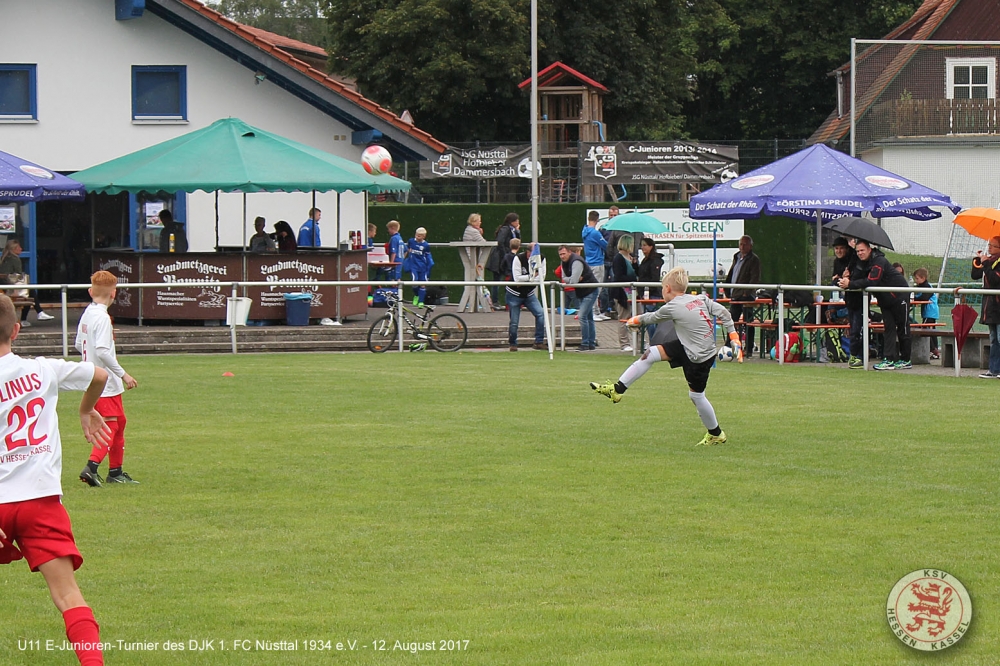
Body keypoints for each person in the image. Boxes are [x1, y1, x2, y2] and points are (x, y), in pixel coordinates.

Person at [0, 293, 112, 666]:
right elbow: (99, 374)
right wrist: (86, 410)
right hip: (40, 501)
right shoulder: (42, 369)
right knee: (67, 596)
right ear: (16, 330)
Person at [590, 267, 741, 447]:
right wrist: (734, 337)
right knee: (652, 353)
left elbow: (652, 317)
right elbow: (724, 313)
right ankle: (617, 389)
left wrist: (635, 320)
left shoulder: (673, 306)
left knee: (697, 397)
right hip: (688, 345)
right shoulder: (699, 298)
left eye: (662, 288)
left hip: (699, 357)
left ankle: (716, 434)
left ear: (667, 288)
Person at [76, 270, 139, 486]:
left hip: (94, 377)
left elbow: (78, 344)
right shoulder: (102, 318)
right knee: (110, 425)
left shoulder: (88, 313)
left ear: (90, 291)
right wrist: (123, 374)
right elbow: (103, 350)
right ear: (114, 293)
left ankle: (116, 472)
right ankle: (91, 467)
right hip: (105, 382)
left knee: (120, 423)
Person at [840, 240, 911, 370]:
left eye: (862, 250)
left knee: (903, 327)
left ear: (869, 249)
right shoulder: (862, 263)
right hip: (885, 299)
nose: (860, 253)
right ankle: (888, 359)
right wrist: (847, 276)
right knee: (888, 328)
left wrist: (850, 284)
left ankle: (906, 359)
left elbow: (872, 281)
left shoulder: (879, 261)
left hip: (900, 295)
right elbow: (859, 279)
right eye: (858, 251)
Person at [503, 239, 547, 352]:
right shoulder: (518, 258)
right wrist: (531, 276)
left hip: (529, 293)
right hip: (514, 293)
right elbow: (517, 278)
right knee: (514, 321)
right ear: (528, 253)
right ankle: (513, 344)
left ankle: (539, 341)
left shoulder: (541, 259)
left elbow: (541, 277)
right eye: (532, 255)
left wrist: (529, 278)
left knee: (541, 314)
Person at [0, 238, 54, 327]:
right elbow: (16, 276)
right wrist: (15, 287)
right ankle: (34, 314)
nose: (21, 249)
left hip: (4, 287)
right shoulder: (14, 259)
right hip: (9, 288)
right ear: (14, 249)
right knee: (29, 292)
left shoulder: (4, 259)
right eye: (19, 247)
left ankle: (37, 313)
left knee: (30, 291)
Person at [558, 245, 599, 351]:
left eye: (564, 253)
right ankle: (591, 343)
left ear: (569, 252)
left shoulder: (576, 261)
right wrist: (571, 279)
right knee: (588, 318)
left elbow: (573, 281)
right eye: (560, 254)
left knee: (582, 316)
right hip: (581, 291)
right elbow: (565, 279)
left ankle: (585, 343)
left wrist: (571, 279)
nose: (562, 256)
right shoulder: (564, 263)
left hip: (590, 290)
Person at [726, 235, 761, 354]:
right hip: (735, 295)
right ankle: (728, 346)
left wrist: (747, 292)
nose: (742, 247)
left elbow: (754, 278)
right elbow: (732, 274)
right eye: (741, 244)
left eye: (745, 244)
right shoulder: (736, 257)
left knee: (748, 322)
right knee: (732, 322)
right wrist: (727, 289)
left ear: (750, 246)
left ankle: (749, 347)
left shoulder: (754, 259)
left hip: (746, 297)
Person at [971, 236, 1000, 378]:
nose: (989, 248)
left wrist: (987, 265)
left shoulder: (995, 263)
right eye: (989, 245)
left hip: (998, 307)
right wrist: (977, 261)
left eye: (993, 246)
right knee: (994, 339)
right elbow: (975, 275)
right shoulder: (989, 261)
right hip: (990, 308)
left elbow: (995, 280)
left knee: (999, 339)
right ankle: (994, 370)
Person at [485, 213, 520, 307]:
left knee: (504, 279)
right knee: (497, 280)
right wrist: (506, 254)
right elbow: (500, 242)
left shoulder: (512, 230)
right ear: (512, 221)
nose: (518, 222)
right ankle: (496, 301)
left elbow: (517, 241)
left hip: (504, 257)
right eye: (516, 221)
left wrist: (518, 231)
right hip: (499, 259)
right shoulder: (505, 229)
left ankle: (506, 301)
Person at [610, 235, 637, 352]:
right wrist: (633, 278)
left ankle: (641, 342)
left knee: (638, 316)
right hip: (622, 292)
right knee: (623, 317)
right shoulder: (618, 258)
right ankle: (624, 343)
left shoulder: (631, 257)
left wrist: (635, 264)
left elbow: (637, 271)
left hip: (633, 292)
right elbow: (619, 276)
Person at [635, 237, 665, 342]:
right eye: (642, 245)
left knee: (651, 320)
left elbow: (654, 278)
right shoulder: (645, 260)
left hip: (652, 294)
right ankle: (654, 341)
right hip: (645, 293)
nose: (642, 247)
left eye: (645, 245)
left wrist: (647, 290)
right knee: (649, 319)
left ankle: (654, 341)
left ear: (651, 247)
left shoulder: (655, 261)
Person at [582, 210, 609, 320]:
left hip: (589, 261)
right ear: (597, 219)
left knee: (594, 288)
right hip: (597, 262)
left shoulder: (584, 231)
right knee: (596, 289)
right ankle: (593, 312)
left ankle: (596, 312)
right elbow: (605, 245)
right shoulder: (595, 233)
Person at [600, 207, 625, 318]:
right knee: (603, 287)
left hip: (616, 261)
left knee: (616, 285)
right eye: (611, 215)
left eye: (615, 215)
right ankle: (604, 310)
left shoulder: (622, 229)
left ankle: (616, 308)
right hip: (605, 261)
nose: (613, 217)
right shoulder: (603, 228)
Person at [911, 267, 940, 360]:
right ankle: (934, 350)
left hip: (930, 312)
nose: (916, 281)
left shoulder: (927, 287)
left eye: (917, 278)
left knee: (927, 331)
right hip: (928, 313)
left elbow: (924, 298)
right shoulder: (922, 286)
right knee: (930, 331)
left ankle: (933, 350)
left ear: (923, 278)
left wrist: (913, 299)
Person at [404, 227, 433, 307]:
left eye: (419, 236)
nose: (417, 237)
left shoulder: (425, 245)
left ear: (424, 236)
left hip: (422, 266)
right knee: (414, 282)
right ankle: (416, 295)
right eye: (416, 235)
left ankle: (421, 301)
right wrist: (403, 259)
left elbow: (428, 257)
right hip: (413, 266)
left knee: (422, 284)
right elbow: (407, 250)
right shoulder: (411, 241)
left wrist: (429, 267)